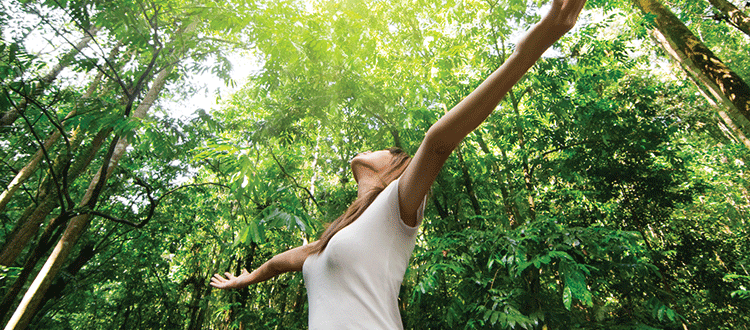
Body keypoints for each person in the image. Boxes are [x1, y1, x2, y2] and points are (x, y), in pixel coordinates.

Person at [210, 0, 587, 328]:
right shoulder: (330, 241)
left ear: (394, 168)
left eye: (385, 149)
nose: (371, 149)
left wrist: (532, 46)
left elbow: (438, 143)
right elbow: (278, 263)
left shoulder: (397, 205)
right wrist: (243, 281)